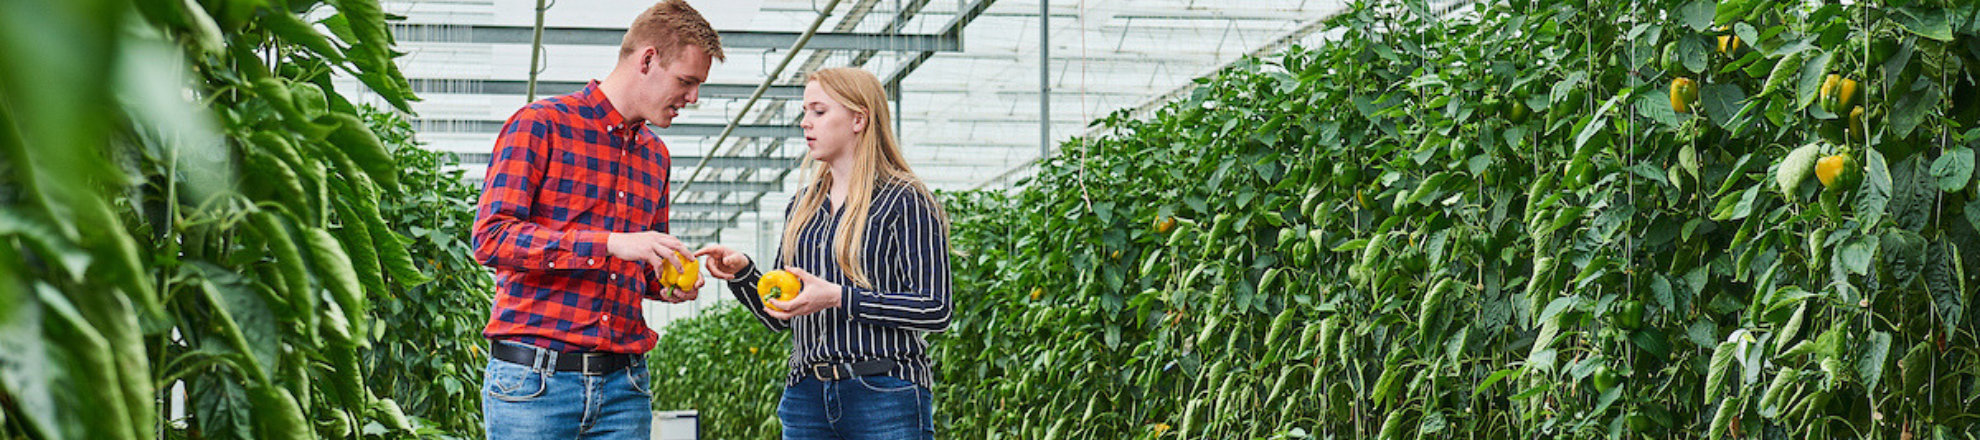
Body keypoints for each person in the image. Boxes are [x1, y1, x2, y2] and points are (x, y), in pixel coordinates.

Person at [469, 1, 723, 438]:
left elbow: (640, 271)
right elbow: (492, 239)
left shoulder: (655, 156)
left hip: (624, 387)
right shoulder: (541, 124)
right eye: (686, 81)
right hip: (535, 383)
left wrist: (669, 281)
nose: (693, 98)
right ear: (648, 60)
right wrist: (608, 243)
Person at [696, 67, 953, 440]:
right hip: (806, 399)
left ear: (858, 119)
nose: (805, 123)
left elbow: (935, 308)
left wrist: (838, 297)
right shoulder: (802, 207)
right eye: (804, 112)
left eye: (818, 111)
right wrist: (744, 275)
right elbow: (781, 318)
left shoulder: (906, 200)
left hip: (883, 390)